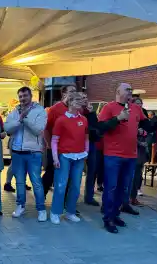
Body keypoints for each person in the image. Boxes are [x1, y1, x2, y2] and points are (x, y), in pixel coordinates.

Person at [98, 83, 157, 234]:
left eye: (131, 89)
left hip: (130, 155)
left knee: (124, 188)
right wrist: (118, 118)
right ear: (118, 91)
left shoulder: (136, 108)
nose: (130, 92)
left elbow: (147, 126)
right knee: (111, 188)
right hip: (113, 155)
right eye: (127, 89)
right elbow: (100, 128)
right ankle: (108, 219)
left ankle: (115, 215)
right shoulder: (109, 107)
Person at [4, 86, 47, 221]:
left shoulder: (40, 111)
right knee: (20, 182)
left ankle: (41, 209)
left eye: (25, 96)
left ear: (31, 96)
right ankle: (20, 206)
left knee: (36, 182)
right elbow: (7, 128)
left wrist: (25, 118)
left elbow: (38, 130)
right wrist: (18, 120)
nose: (22, 99)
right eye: (20, 96)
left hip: (33, 152)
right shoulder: (14, 111)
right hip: (17, 152)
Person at [50, 92, 88, 224]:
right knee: (61, 185)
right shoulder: (61, 120)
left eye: (80, 100)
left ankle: (70, 212)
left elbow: (86, 137)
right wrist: (55, 158)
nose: (80, 102)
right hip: (64, 156)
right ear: (70, 102)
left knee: (76, 186)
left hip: (79, 157)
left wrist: (86, 152)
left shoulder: (83, 119)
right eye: (77, 100)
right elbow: (54, 140)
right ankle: (55, 212)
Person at [43, 85, 76, 199]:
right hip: (55, 149)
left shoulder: (76, 109)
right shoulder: (55, 109)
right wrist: (49, 146)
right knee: (51, 173)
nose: (74, 93)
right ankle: (41, 197)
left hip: (71, 149)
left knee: (69, 176)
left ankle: (65, 201)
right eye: (71, 91)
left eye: (75, 91)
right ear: (64, 94)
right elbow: (46, 128)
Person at [129, 128, 149, 206]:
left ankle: (133, 198)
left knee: (137, 177)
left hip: (140, 156)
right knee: (132, 178)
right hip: (132, 155)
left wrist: (144, 132)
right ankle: (129, 198)